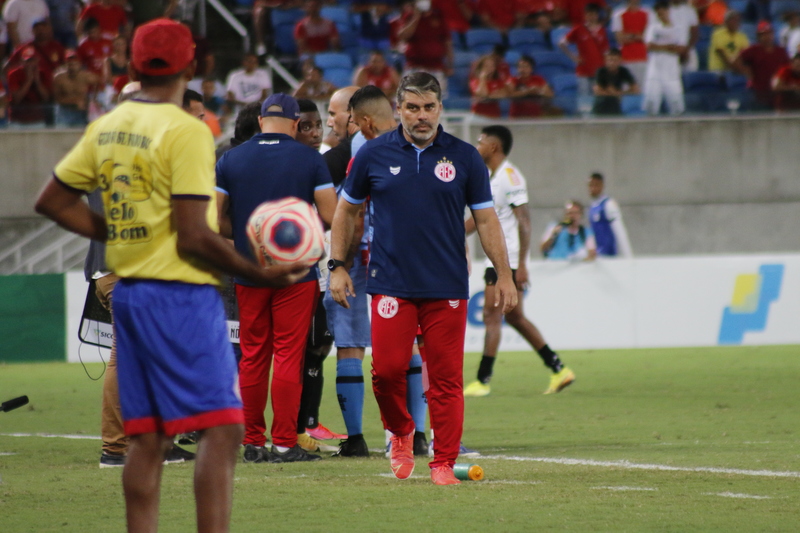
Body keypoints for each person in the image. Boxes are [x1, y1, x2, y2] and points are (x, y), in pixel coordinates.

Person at [35, 18, 309, 532]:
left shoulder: (107, 126)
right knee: (223, 428)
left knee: (147, 434)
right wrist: (262, 274)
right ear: (192, 65)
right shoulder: (185, 129)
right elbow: (192, 236)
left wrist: (117, 234)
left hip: (131, 293)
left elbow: (51, 201)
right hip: (180, 294)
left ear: (133, 64)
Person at [329, 72, 518, 485]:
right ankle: (400, 431)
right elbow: (346, 211)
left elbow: (486, 219)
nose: (421, 116)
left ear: (439, 109)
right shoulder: (373, 154)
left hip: (446, 284)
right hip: (390, 282)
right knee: (388, 372)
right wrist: (336, 265)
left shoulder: (465, 157)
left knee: (447, 380)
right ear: (399, 109)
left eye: (429, 107)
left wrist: (504, 275)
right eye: (412, 107)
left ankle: (443, 463)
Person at [215, 93, 338, 464]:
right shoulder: (308, 158)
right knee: (288, 354)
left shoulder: (230, 158)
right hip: (295, 272)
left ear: (262, 121)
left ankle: (252, 441)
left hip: (248, 269)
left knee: (253, 355)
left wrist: (245, 238)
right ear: (295, 123)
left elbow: (215, 218)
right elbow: (331, 215)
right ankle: (285, 442)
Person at [463, 126, 575, 399]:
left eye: (480, 142)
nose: (477, 147)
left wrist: (522, 263)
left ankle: (482, 380)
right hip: (502, 258)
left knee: (492, 315)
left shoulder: (509, 177)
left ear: (494, 147)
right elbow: (482, 219)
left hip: (508, 258)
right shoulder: (493, 178)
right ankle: (558, 368)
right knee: (514, 317)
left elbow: (524, 220)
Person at [292, 98, 346, 450]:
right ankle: (297, 427)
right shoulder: (310, 164)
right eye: (307, 126)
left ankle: (307, 423)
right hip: (302, 269)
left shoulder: (319, 160)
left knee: (318, 345)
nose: (316, 132)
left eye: (318, 125)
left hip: (321, 267)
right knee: (305, 349)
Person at [396, 0, 454, 94]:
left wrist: (450, 64)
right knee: (410, 96)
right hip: (414, 66)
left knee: (435, 99)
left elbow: (447, 42)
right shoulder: (409, 16)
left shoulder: (438, 16)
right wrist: (416, 18)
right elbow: (402, 35)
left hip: (435, 67)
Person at [642, 0, 686, 116]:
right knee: (652, 101)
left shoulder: (678, 28)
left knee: (676, 103)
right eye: (658, 14)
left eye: (663, 13)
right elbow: (649, 46)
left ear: (668, 11)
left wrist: (660, 46)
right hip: (655, 68)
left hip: (671, 69)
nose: (661, 16)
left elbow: (681, 49)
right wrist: (668, 47)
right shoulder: (653, 28)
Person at [735, 22, 790, 109]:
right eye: (763, 34)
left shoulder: (781, 51)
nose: (767, 37)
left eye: (769, 33)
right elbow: (736, 59)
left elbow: (788, 68)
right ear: (759, 36)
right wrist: (745, 71)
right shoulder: (754, 50)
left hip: (776, 92)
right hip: (758, 91)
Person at [559, 3, 609, 96]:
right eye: (589, 14)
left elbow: (605, 50)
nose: (591, 17)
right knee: (584, 98)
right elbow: (562, 43)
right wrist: (573, 57)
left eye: (593, 14)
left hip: (599, 70)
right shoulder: (579, 29)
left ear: (597, 15)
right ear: (585, 15)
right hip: (583, 70)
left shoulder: (602, 30)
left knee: (597, 97)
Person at [587, 172, 632, 257]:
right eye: (590, 185)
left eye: (595, 185)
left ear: (602, 186)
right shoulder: (592, 207)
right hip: (597, 256)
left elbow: (619, 230)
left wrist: (628, 256)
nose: (592, 188)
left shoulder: (608, 204)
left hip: (609, 255)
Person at [7, 46, 52, 125]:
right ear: (22, 61)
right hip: (17, 119)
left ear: (38, 61)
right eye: (28, 61)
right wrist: (29, 80)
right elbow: (16, 100)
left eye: (33, 60)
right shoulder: (14, 74)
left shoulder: (44, 73)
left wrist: (37, 81)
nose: (31, 64)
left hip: (38, 118)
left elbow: (46, 98)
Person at [53, 50, 99, 127]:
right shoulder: (59, 78)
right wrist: (74, 101)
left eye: (75, 64)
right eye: (70, 64)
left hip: (81, 112)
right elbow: (56, 99)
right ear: (65, 64)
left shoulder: (87, 76)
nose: (73, 67)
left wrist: (93, 99)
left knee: (80, 136)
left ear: (80, 64)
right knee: (62, 135)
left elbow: (99, 83)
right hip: (65, 111)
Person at [610, 0, 651, 86]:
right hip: (625, 58)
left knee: (643, 87)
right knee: (626, 87)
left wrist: (630, 35)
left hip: (643, 58)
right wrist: (638, 36)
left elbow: (648, 38)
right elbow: (620, 39)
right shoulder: (618, 14)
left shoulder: (648, 12)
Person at [592, 47, 639, 115]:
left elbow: (636, 89)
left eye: (615, 60)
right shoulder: (601, 71)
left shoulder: (623, 71)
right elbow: (597, 91)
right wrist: (614, 93)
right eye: (609, 60)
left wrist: (620, 93)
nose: (612, 63)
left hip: (616, 103)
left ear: (620, 60)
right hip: (602, 104)